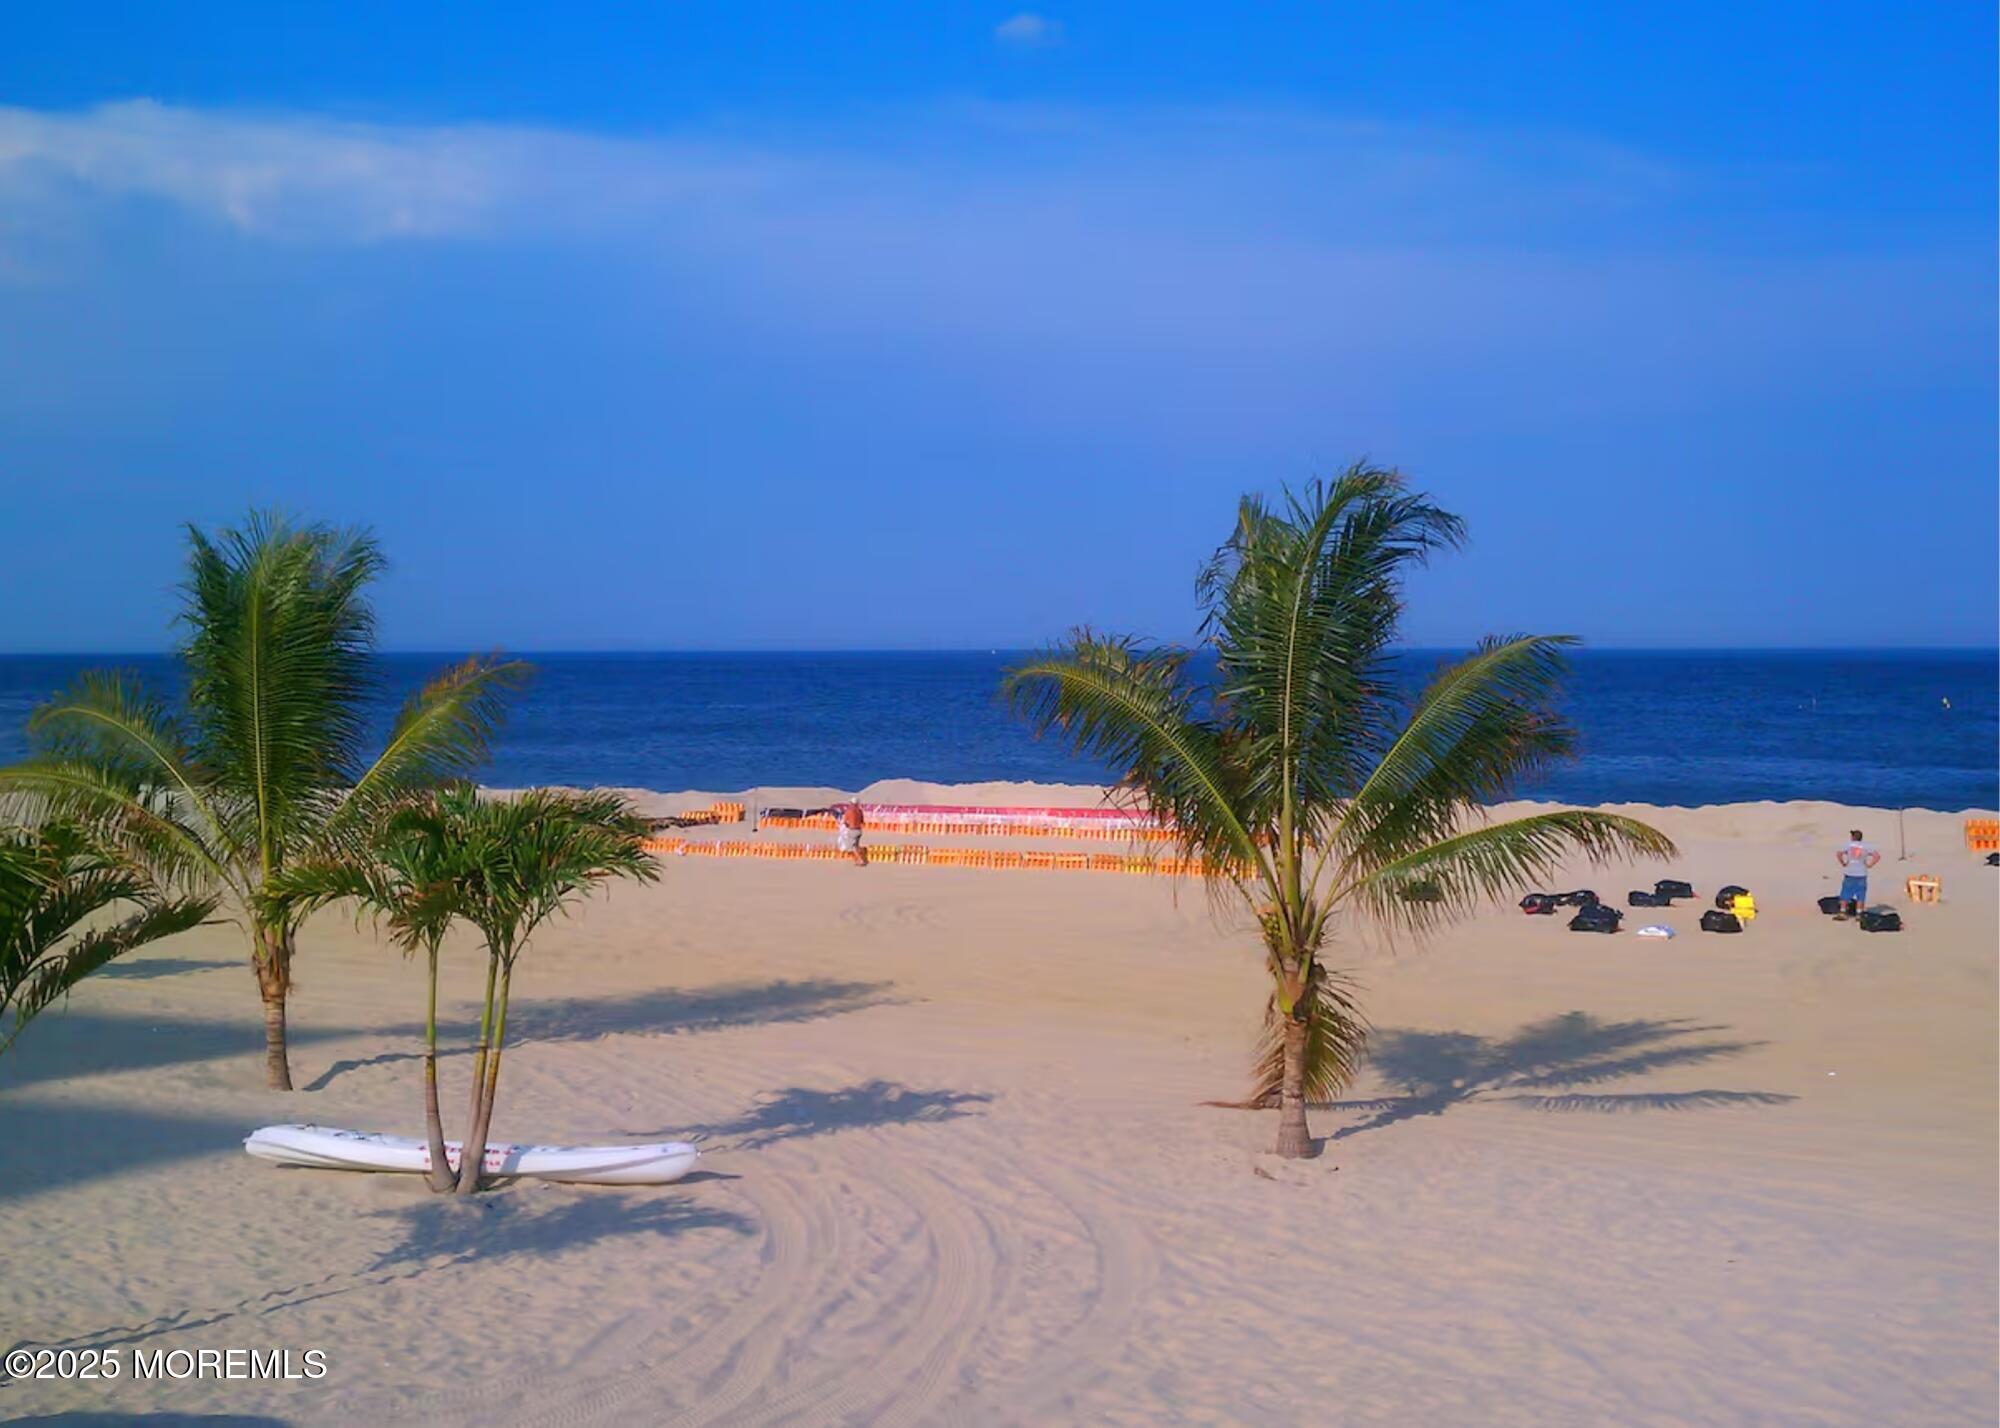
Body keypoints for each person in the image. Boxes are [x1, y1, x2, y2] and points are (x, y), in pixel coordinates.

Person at [1834, 828, 1879, 920]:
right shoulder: (1866, 846)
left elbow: (1839, 853)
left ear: (1853, 837)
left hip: (1850, 872)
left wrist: (1843, 863)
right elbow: (1877, 856)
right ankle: (1859, 913)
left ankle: (1843, 912)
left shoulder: (1848, 845)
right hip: (1861, 873)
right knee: (1860, 895)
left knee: (1845, 893)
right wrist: (1870, 865)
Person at [836, 800, 867, 867]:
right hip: (859, 830)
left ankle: (861, 860)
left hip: (852, 830)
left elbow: (844, 822)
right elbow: (862, 822)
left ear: (851, 803)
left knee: (852, 847)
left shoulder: (849, 811)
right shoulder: (860, 811)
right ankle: (857, 860)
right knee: (856, 845)